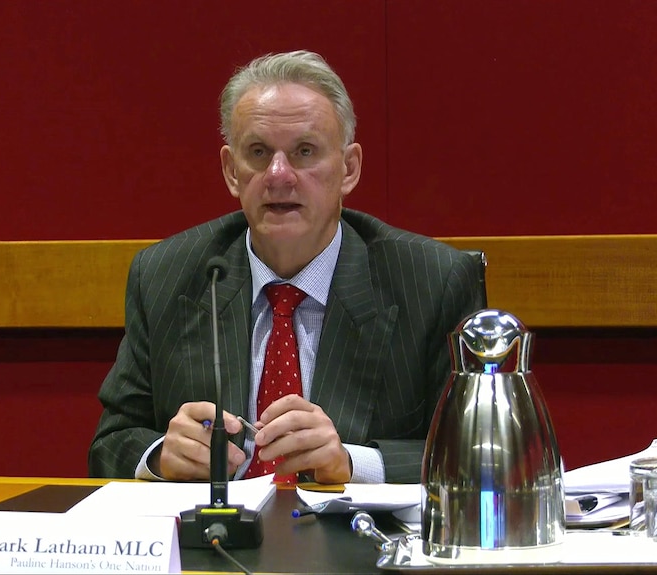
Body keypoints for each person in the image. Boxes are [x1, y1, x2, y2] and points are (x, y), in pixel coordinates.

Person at [88, 50, 485, 485]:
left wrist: (352, 464)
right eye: (258, 152)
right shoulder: (165, 275)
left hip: (360, 547)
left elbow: (478, 455)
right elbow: (111, 443)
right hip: (213, 547)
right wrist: (161, 454)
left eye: (304, 151)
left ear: (349, 169)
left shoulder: (431, 282)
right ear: (231, 172)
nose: (279, 175)